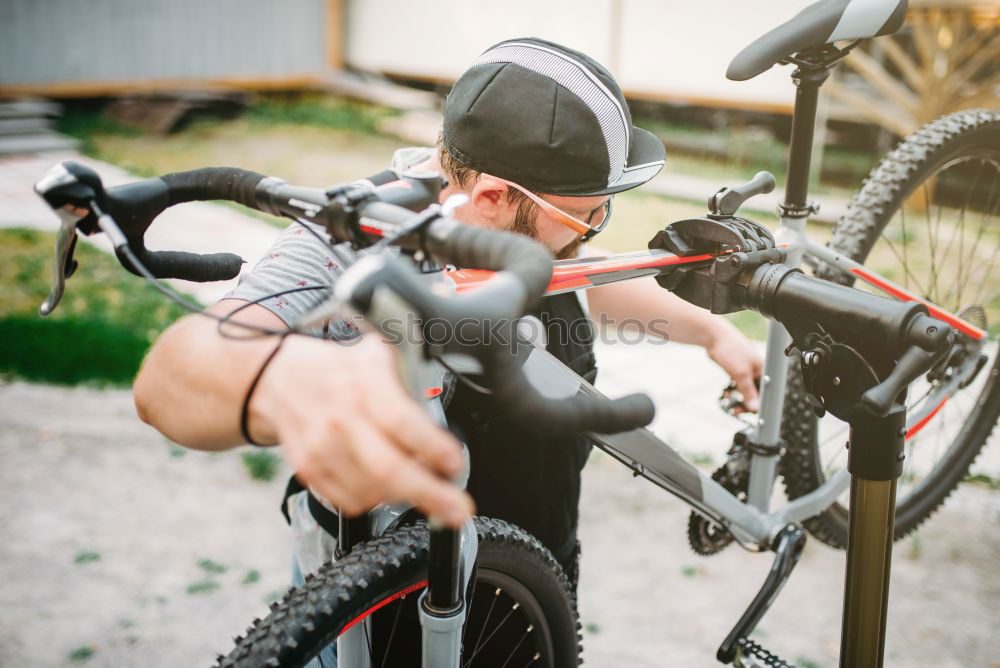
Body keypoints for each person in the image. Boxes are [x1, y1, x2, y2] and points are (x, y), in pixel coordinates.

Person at [133, 35, 762, 646]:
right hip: (385, 612)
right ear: (492, 196)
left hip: (531, 577)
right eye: (586, 216)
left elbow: (580, 280)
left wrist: (711, 332)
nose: (591, 230)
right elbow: (170, 380)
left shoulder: (521, 216)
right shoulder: (355, 240)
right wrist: (290, 377)